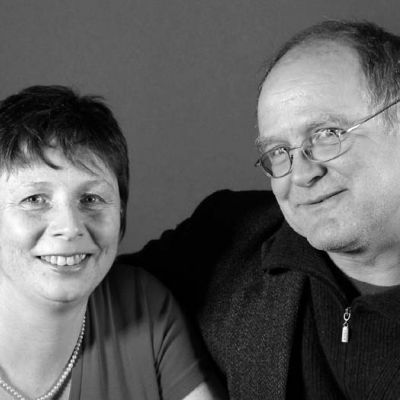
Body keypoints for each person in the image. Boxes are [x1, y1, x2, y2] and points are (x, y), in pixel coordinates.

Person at [119, 20, 400, 399]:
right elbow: (77, 293)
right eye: (278, 151)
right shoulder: (228, 238)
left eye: (326, 134)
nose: (301, 174)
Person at [0, 85, 225, 400]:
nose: (70, 227)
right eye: (35, 199)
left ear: (120, 211)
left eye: (91, 198)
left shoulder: (142, 304)